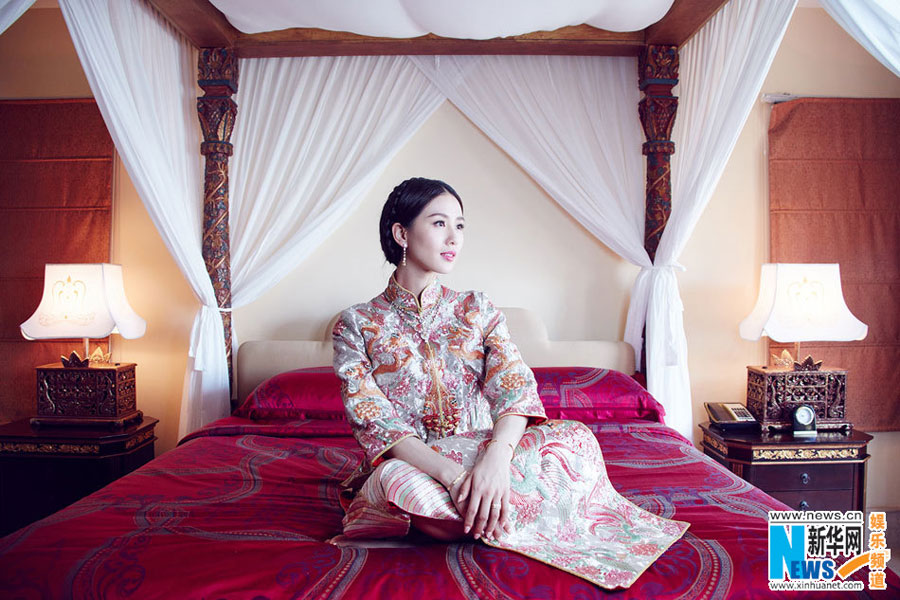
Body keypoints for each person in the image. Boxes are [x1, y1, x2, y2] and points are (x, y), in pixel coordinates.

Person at [331, 177, 687, 589]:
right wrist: (453, 474)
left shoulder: (476, 309)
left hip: (488, 456)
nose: (454, 238)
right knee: (395, 482)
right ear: (401, 233)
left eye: (460, 225)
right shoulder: (357, 324)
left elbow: (515, 389)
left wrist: (496, 462)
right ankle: (495, 507)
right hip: (418, 466)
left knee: (573, 439)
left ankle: (476, 510)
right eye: (439, 223)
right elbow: (376, 422)